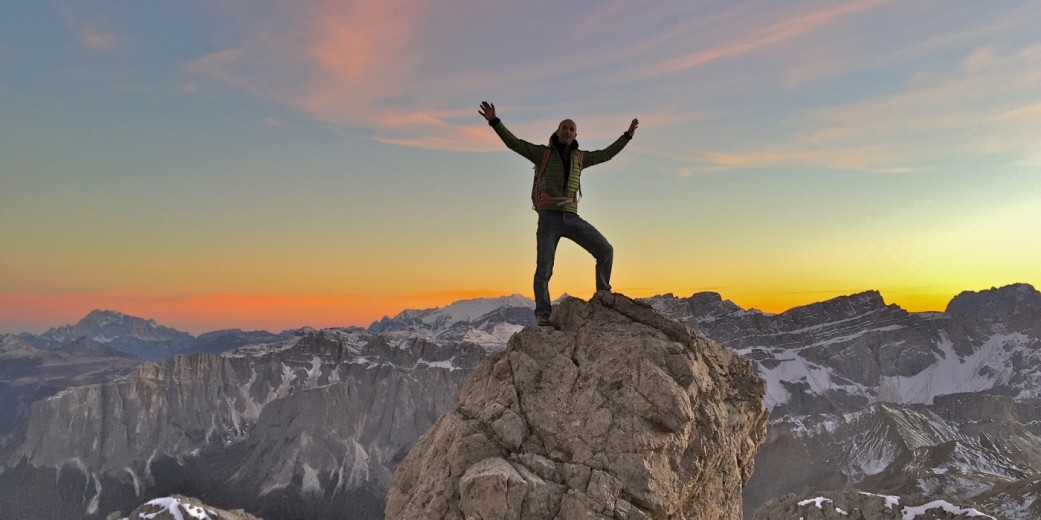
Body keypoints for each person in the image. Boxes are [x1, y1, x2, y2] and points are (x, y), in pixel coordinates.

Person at [479, 101, 638, 326]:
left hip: (571, 218)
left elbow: (606, 155)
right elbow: (514, 143)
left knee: (605, 250)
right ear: (557, 131)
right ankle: (543, 314)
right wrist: (495, 121)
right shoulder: (542, 154)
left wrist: (627, 136)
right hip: (549, 219)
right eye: (564, 127)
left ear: (575, 135)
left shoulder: (580, 158)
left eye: (572, 129)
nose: (568, 131)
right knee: (544, 268)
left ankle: (604, 294)